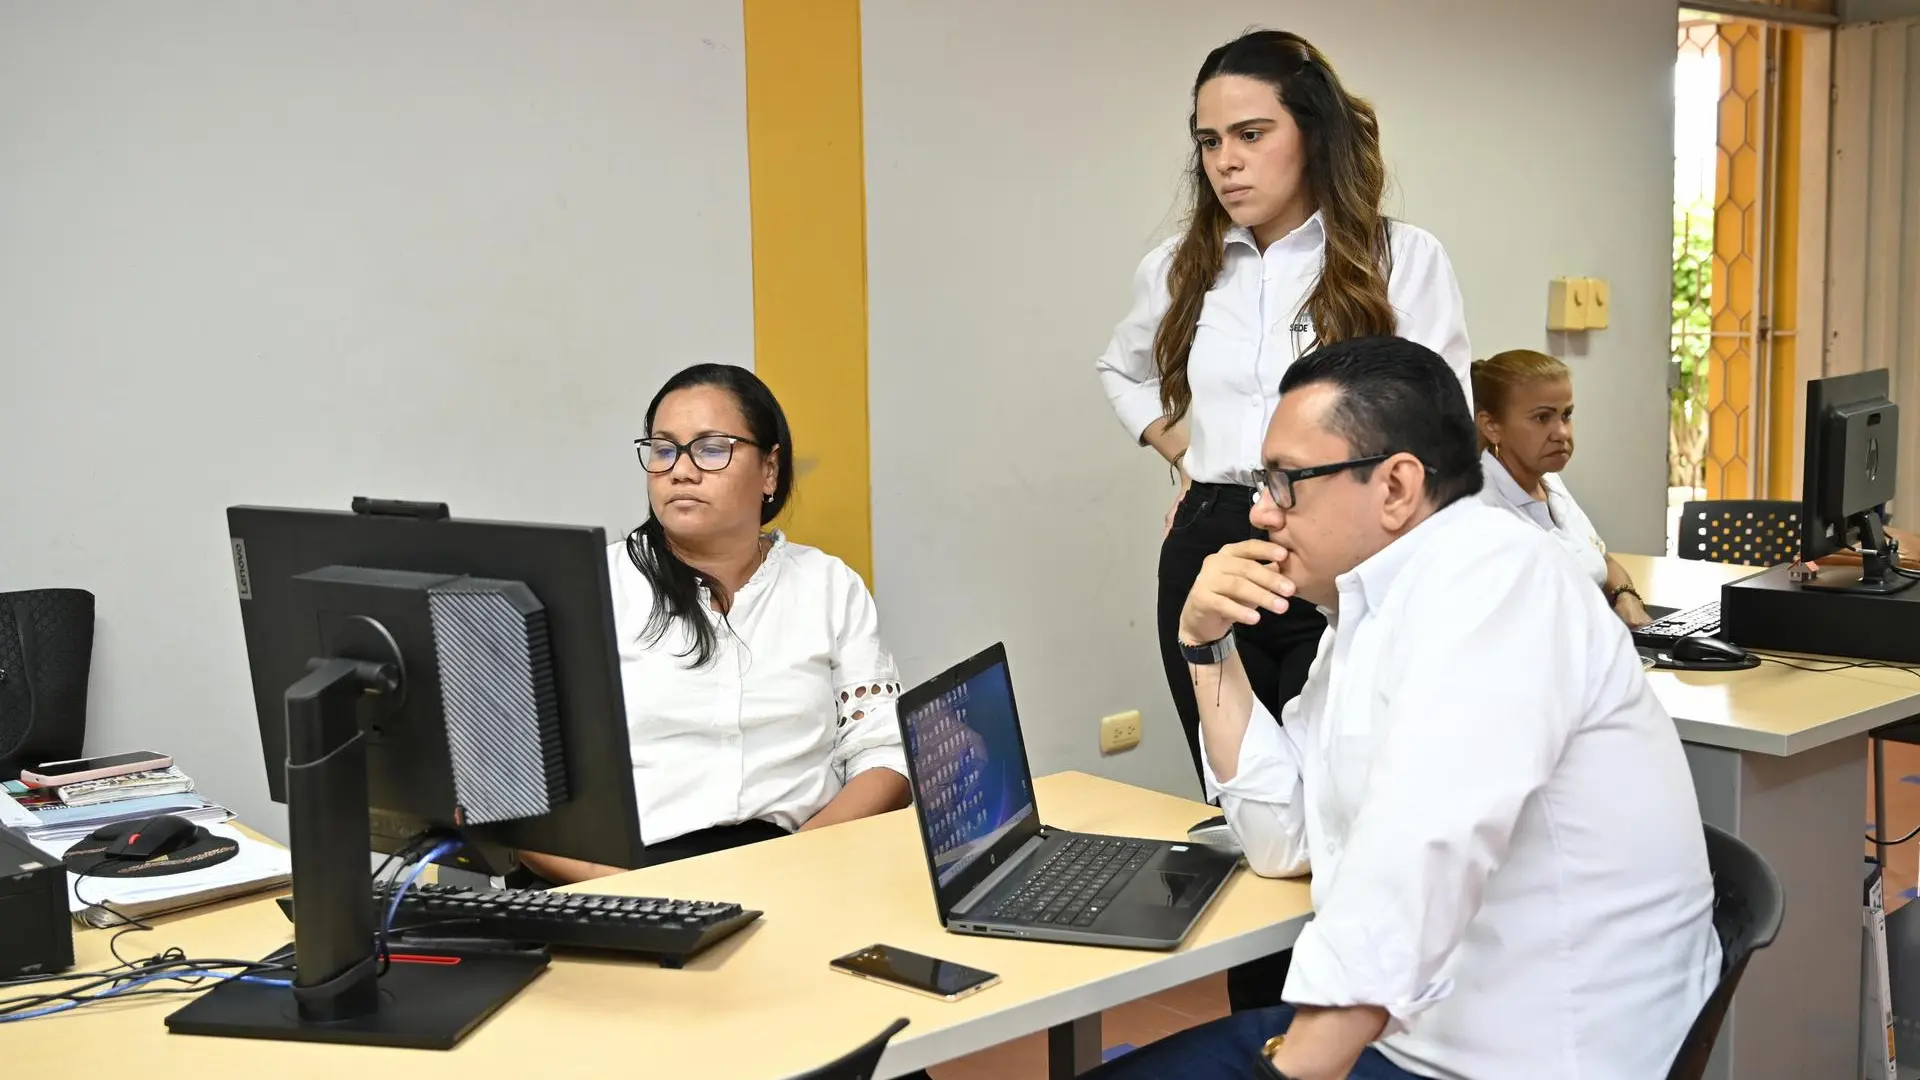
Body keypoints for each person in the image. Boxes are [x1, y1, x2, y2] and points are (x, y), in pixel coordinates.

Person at [1089, 337, 1720, 1080]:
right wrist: (1205, 648)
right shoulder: (1365, 611)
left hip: (1516, 1058)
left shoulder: (1498, 579)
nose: (1260, 511)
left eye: (1286, 480)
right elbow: (1283, 836)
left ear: (1395, 487)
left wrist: (1290, 1072)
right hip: (1419, 1035)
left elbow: (1416, 862)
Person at [1093, 26, 1472, 1013]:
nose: (1225, 162)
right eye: (1209, 141)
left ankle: (1355, 1015)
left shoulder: (1397, 256)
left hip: (1350, 547)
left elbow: (1443, 423)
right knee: (1250, 813)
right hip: (1215, 536)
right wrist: (1180, 449)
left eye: (1250, 134)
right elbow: (1121, 368)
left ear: (1310, 133)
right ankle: (1264, 1022)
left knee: (1349, 802)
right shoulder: (1182, 264)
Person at [517, 364, 911, 885]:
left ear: (769, 471)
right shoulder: (589, 587)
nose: (680, 470)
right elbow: (518, 793)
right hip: (624, 874)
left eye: (710, 448)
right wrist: (624, 890)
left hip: (800, 861)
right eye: (663, 449)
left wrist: (800, 866)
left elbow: (884, 751)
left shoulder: (827, 585)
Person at [1471, 349, 1653, 628]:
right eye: (1542, 418)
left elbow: (1601, 559)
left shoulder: (1548, 481)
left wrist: (1626, 597)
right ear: (1492, 427)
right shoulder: (1479, 507)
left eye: (1566, 415)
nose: (1563, 433)